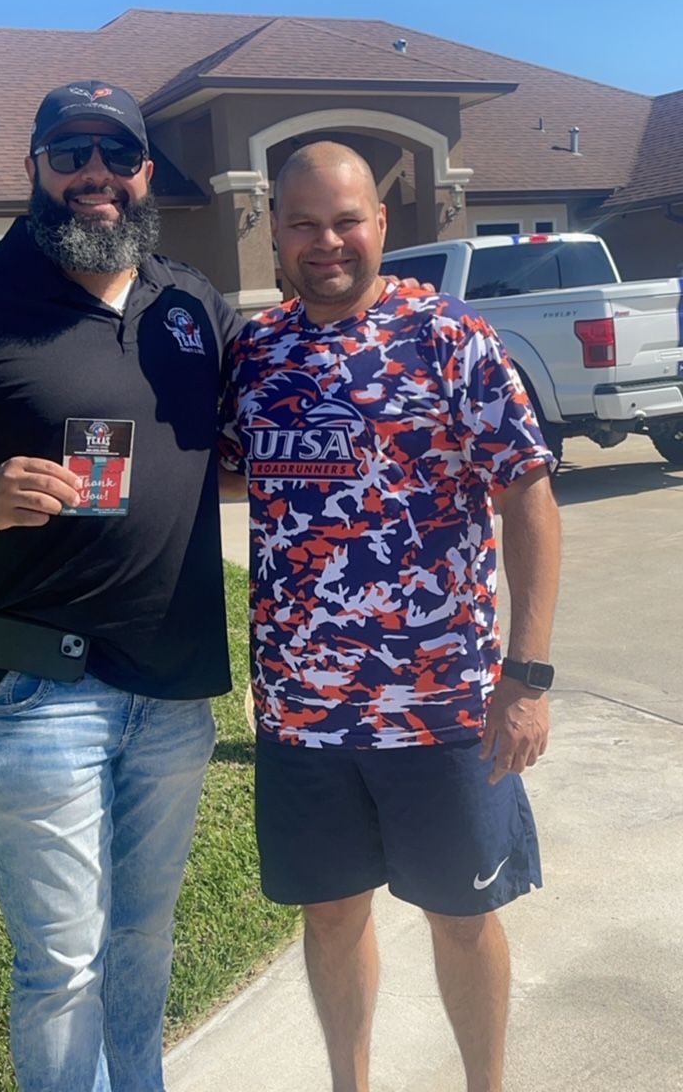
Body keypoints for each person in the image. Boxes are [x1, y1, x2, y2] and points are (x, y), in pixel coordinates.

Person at [220, 142, 561, 1092]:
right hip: (301, 716)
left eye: (346, 220)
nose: (326, 242)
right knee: (329, 916)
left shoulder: (450, 338)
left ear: (381, 223)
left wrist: (525, 678)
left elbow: (529, 497)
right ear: (276, 233)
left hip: (443, 708)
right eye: (303, 223)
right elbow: (217, 466)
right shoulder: (255, 352)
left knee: (461, 916)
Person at [0, 81, 241, 1092]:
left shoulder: (192, 303)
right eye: (68, 152)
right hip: (40, 693)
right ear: (33, 170)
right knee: (61, 964)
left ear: (144, 173)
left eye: (114, 155)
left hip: (171, 690)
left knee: (144, 937)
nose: (94, 176)